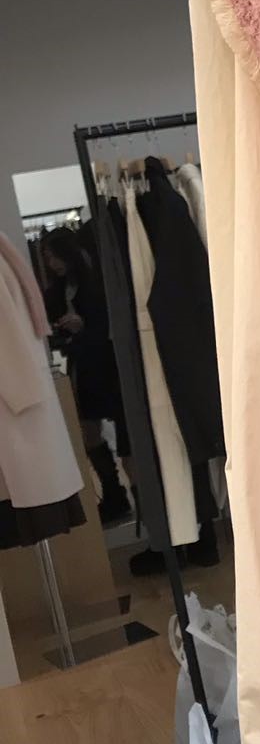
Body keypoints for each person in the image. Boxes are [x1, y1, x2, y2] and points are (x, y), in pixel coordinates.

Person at [40, 224, 132, 525]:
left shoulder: (94, 282)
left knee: (120, 428)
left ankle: (123, 494)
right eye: (47, 258)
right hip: (82, 362)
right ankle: (113, 492)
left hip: (105, 362)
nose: (51, 263)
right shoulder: (57, 289)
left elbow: (105, 324)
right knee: (88, 429)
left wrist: (82, 325)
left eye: (54, 256)